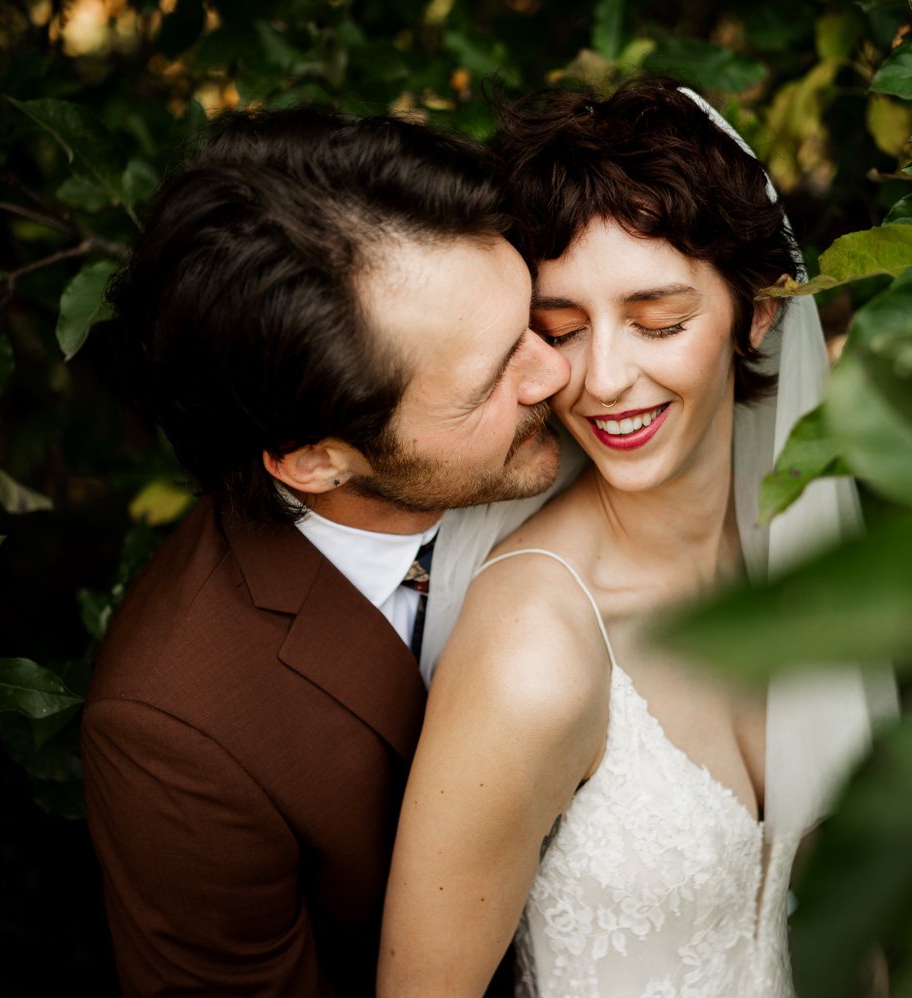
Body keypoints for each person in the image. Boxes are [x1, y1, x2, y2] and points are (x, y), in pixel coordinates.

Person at [377, 80, 882, 997]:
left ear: (757, 311)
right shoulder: (533, 646)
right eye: (562, 330)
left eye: (659, 322)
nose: (604, 379)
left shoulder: (804, 566)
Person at [81, 107, 568, 997]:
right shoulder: (179, 730)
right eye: (493, 376)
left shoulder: (597, 439)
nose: (558, 373)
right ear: (317, 459)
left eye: (532, 316)